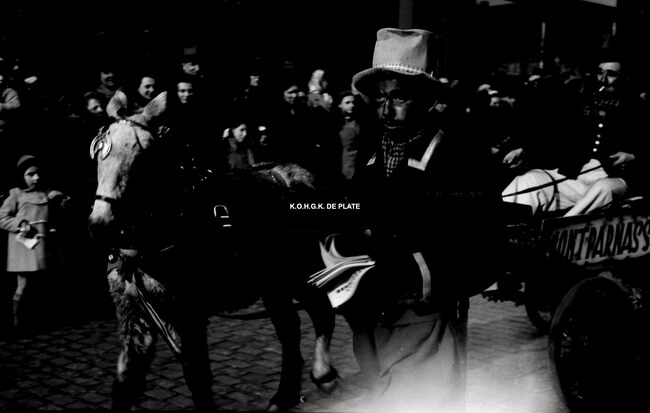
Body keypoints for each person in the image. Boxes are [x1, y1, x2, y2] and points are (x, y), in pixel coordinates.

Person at [339, 28, 499, 413]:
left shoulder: (453, 148)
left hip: (426, 307)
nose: (386, 110)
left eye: (398, 97)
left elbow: (482, 207)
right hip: (375, 310)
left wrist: (422, 207)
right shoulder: (373, 152)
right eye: (380, 98)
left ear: (426, 99)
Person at [503, 48, 645, 216]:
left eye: (611, 74)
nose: (603, 79)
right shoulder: (582, 102)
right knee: (529, 179)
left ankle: (557, 229)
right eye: (600, 72)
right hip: (576, 176)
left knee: (603, 188)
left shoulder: (638, 107)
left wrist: (633, 157)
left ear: (624, 77)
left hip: (615, 179)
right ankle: (508, 226)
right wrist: (524, 151)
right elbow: (555, 135)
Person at [0, 155, 70, 332]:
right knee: (23, 284)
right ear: (21, 175)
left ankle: (40, 319)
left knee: (44, 283)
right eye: (30, 174)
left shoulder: (45, 193)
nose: (36, 177)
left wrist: (61, 201)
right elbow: (2, 217)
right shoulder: (15, 194)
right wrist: (19, 223)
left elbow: (55, 209)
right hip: (23, 247)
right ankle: (17, 320)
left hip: (43, 246)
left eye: (38, 173)